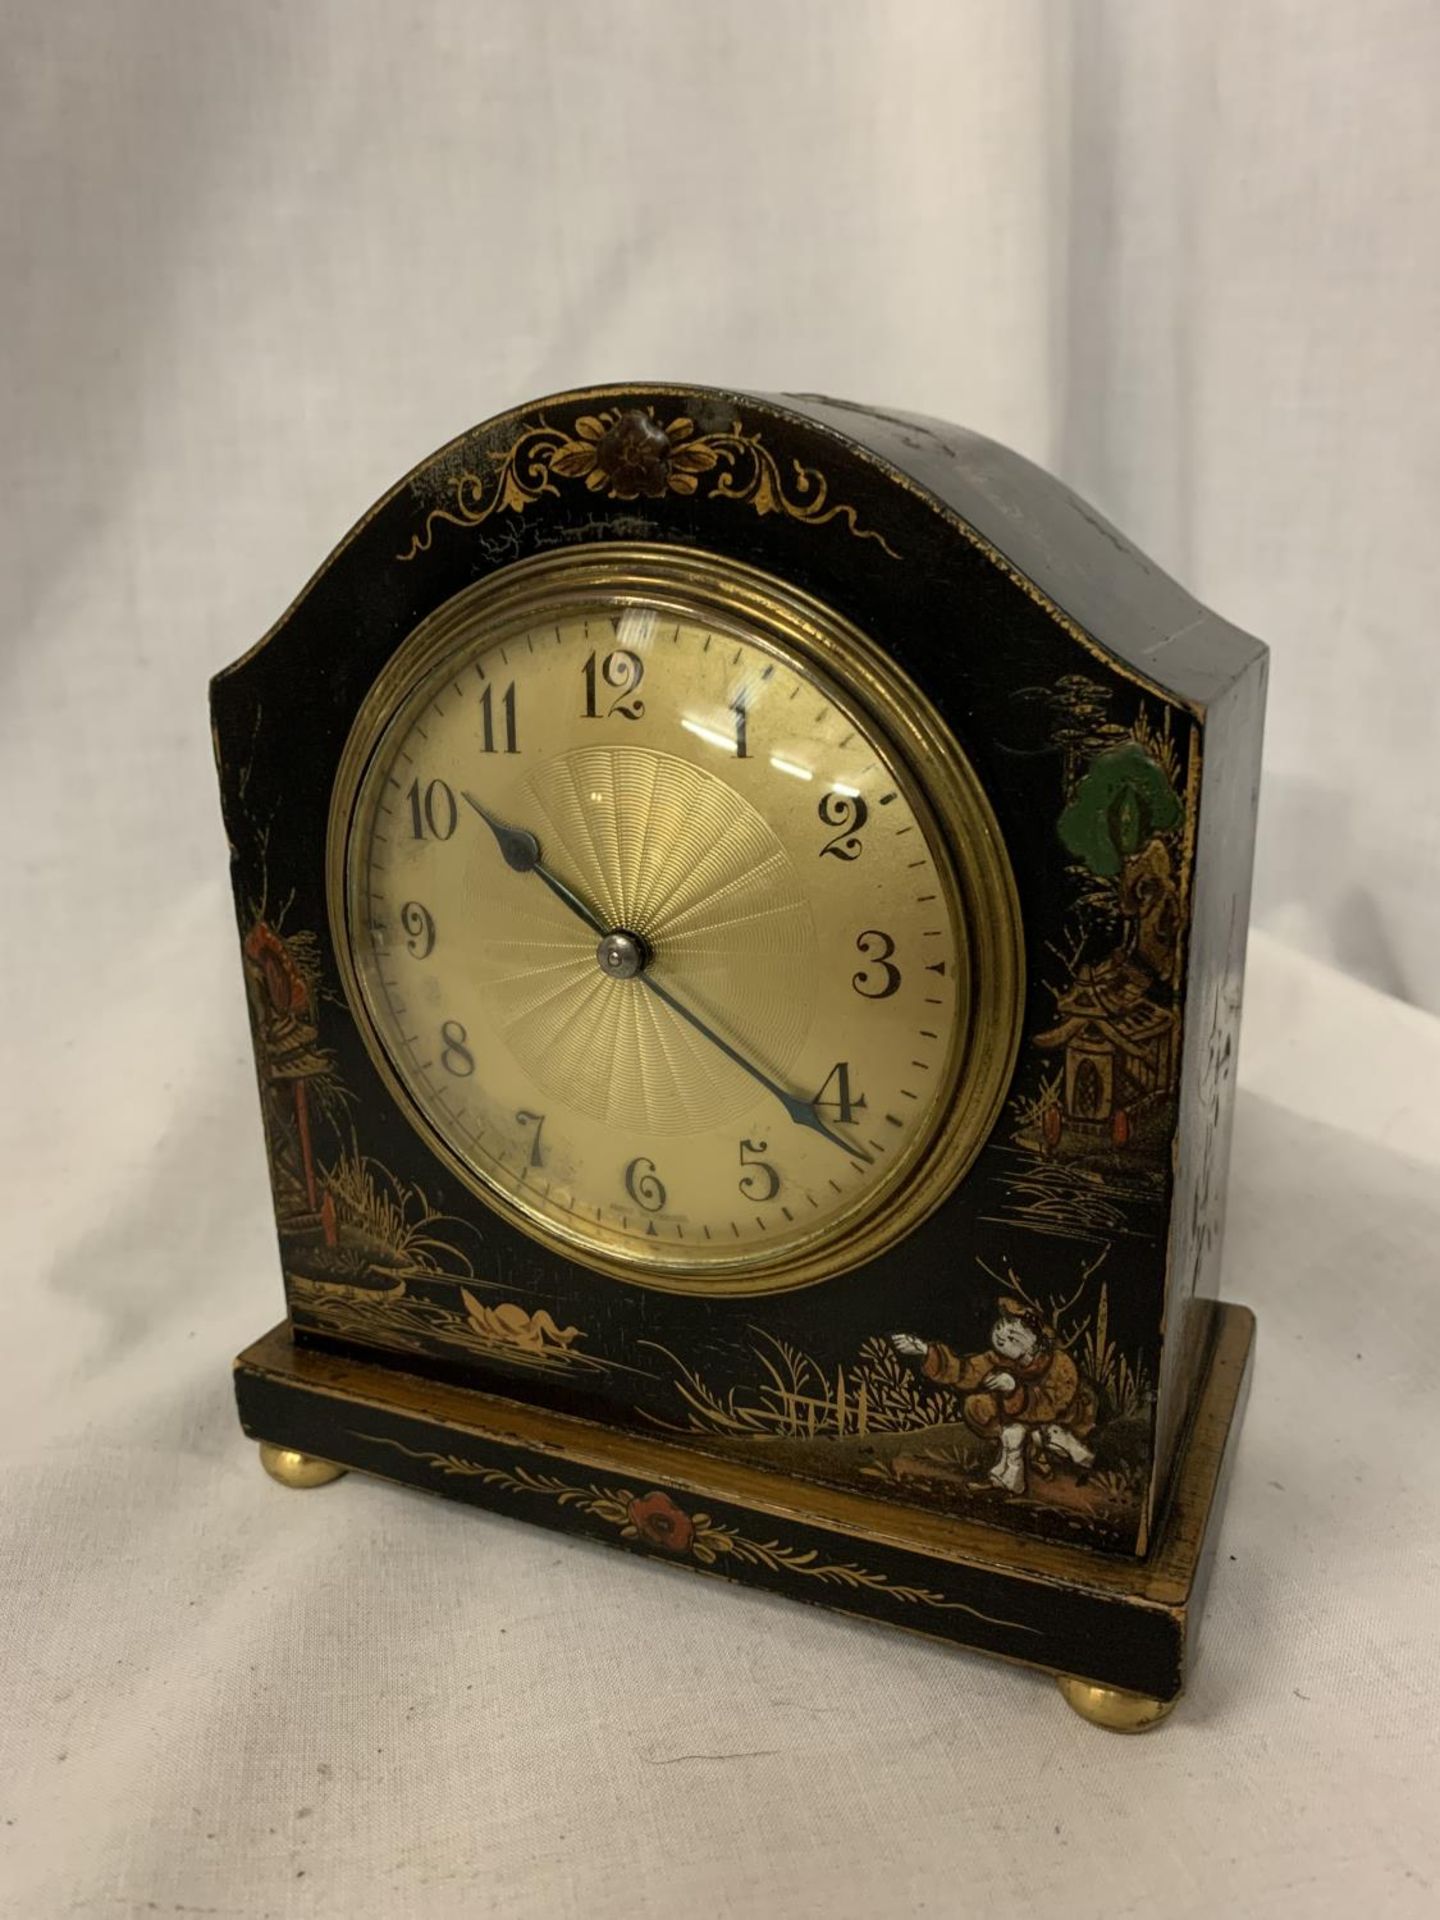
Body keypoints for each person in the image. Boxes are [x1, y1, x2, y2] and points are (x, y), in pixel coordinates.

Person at [890, 1297, 1097, 1495]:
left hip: (1063, 1419)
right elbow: (964, 1370)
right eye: (1000, 1332)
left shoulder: (1060, 1364)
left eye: (1011, 1334)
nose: (1001, 1336)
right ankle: (1012, 1475)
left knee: (1039, 1429)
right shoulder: (999, 1359)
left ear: (1035, 1340)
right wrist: (926, 1350)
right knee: (983, 1409)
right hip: (1024, 1421)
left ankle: (1053, 1445)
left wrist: (1013, 1389)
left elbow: (1050, 1405)